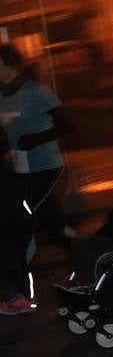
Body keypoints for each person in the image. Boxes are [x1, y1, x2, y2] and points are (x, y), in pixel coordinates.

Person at [0, 44, 74, 314]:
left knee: (24, 226)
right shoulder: (1, 96)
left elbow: (68, 125)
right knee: (56, 231)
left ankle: (25, 296)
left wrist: (36, 139)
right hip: (21, 172)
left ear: (9, 64)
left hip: (48, 169)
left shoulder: (37, 92)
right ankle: (94, 260)